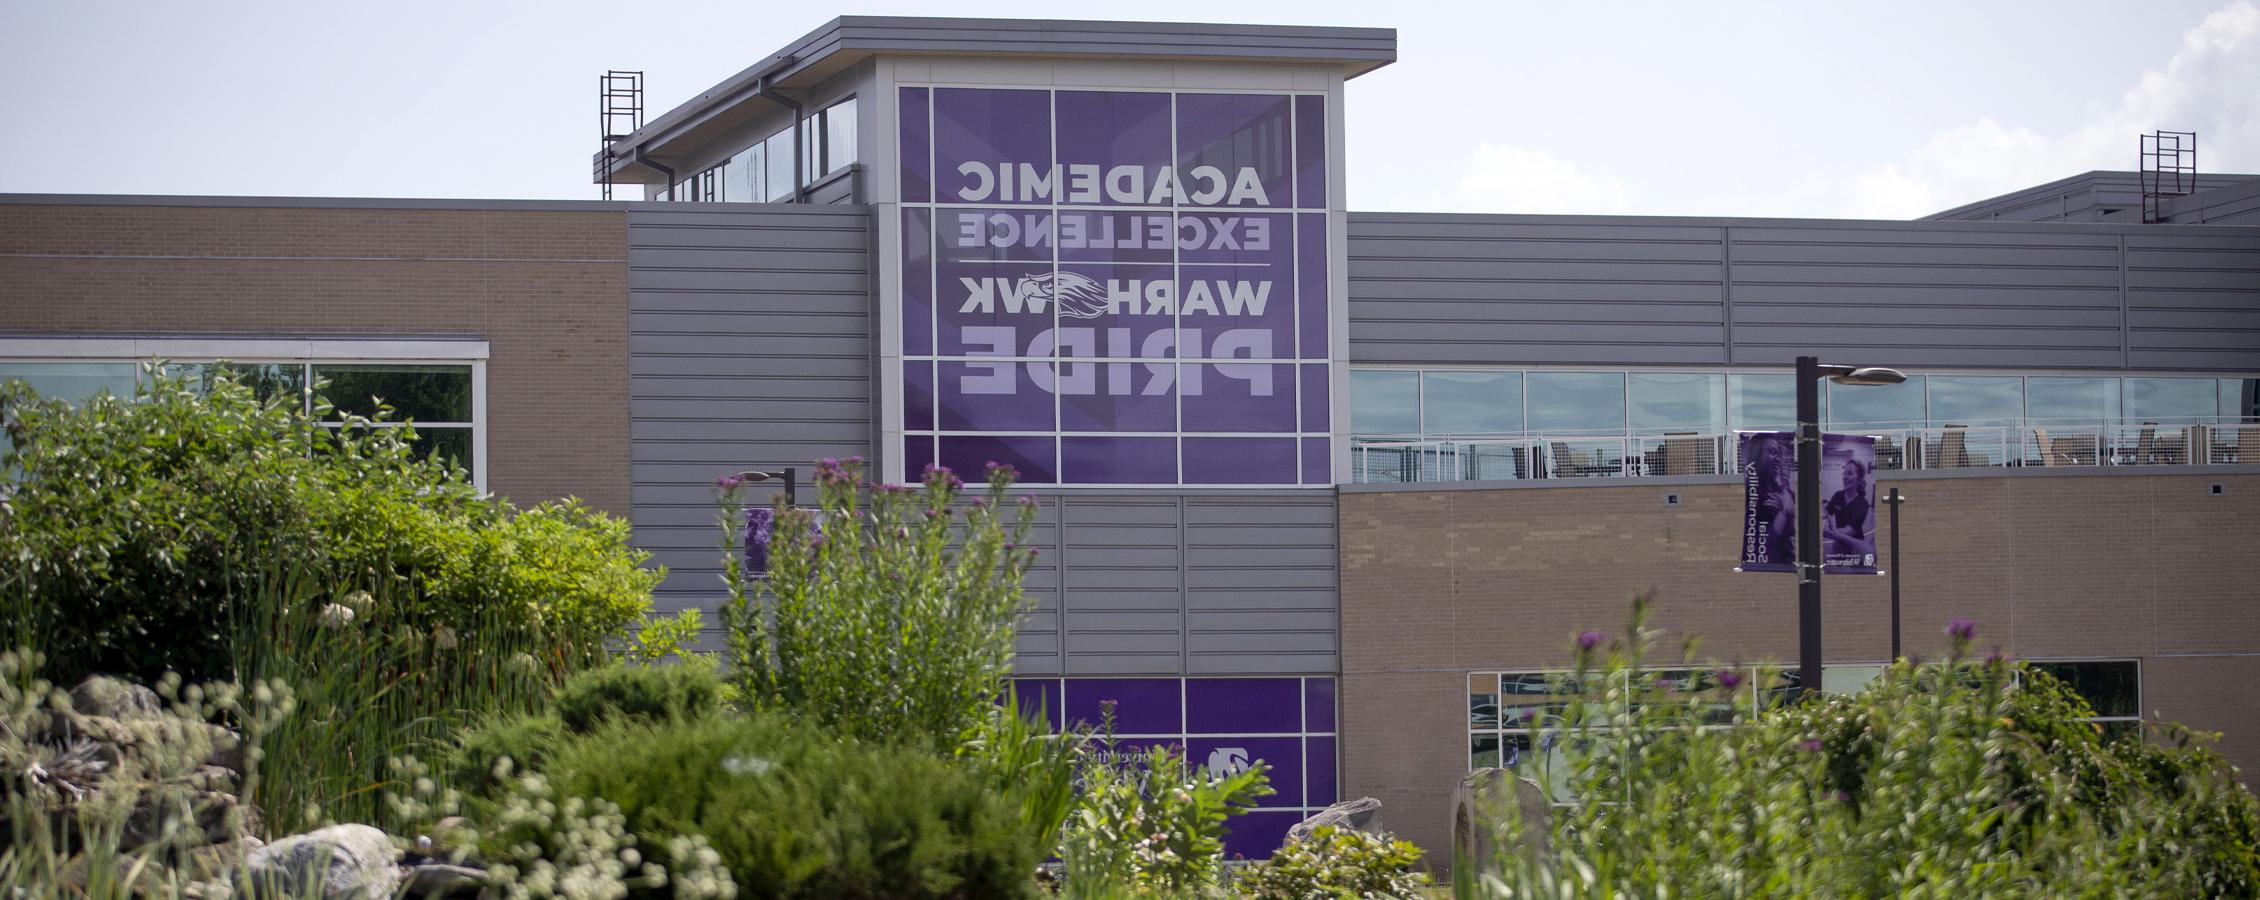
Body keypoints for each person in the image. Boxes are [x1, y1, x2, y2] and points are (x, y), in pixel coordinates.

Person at [1823, 456, 1873, 557]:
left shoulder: (1862, 503)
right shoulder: (1838, 495)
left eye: (1849, 473)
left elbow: (1848, 531)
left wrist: (1830, 532)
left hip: (1855, 547)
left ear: (1859, 480)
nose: (1845, 477)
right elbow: (1827, 512)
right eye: (1844, 473)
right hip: (1838, 544)